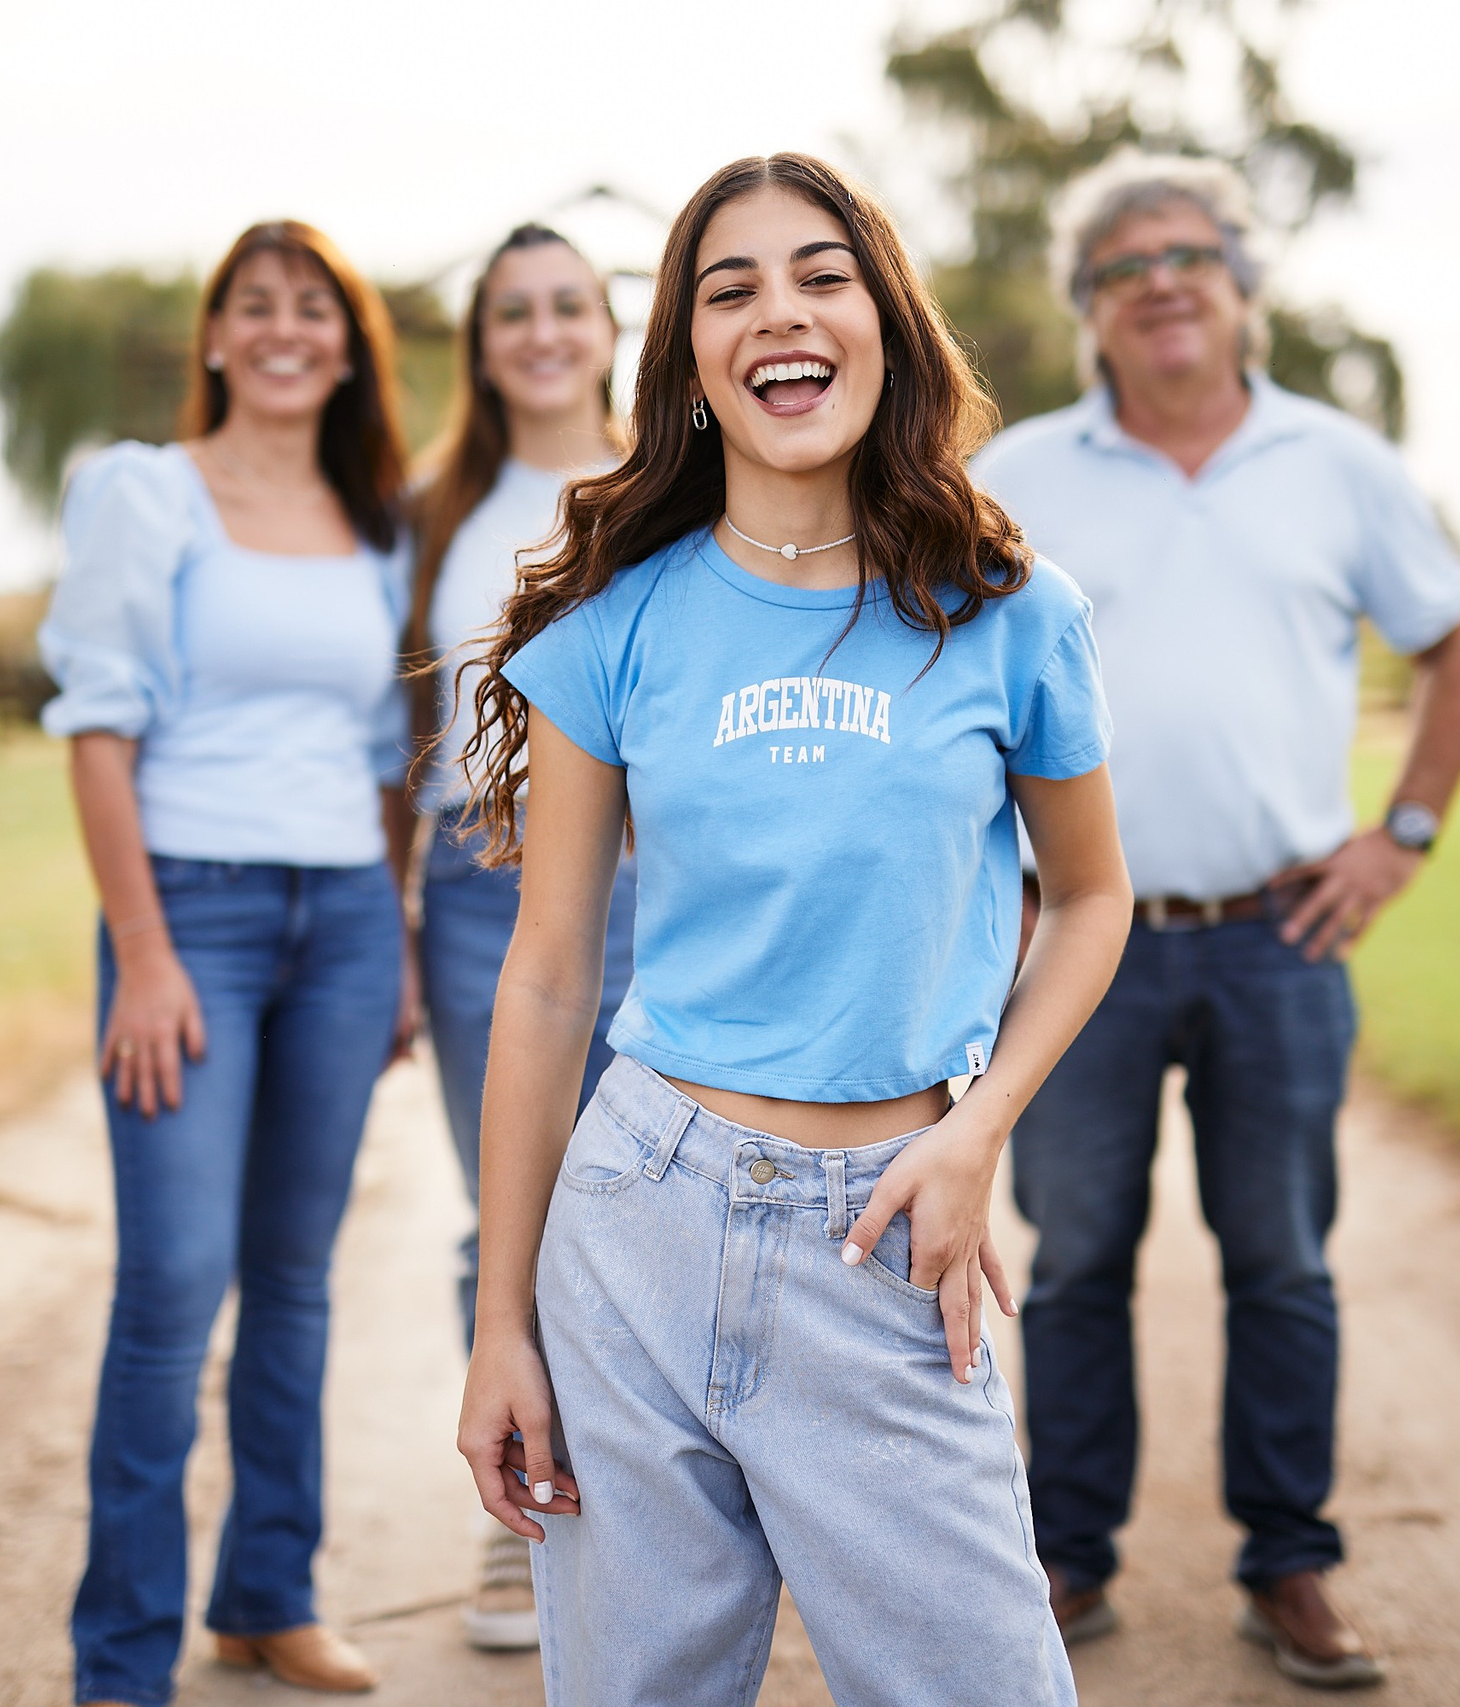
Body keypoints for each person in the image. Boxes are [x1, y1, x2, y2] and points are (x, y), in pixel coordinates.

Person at [453, 152, 1137, 1707]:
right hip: (638, 1223)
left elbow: (1094, 897)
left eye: (823, 276)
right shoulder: (616, 624)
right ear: (689, 359)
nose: (782, 313)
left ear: (885, 323)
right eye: (731, 289)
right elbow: (549, 980)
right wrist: (502, 1325)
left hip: (887, 1227)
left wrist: (976, 1132)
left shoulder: (1008, 606)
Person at [973, 153, 1460, 1689]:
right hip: (1082, 948)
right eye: (1124, 266)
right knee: (1076, 1259)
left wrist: (1402, 835)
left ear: (1244, 285)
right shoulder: (1023, 478)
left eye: (1190, 255)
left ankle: (1291, 1563)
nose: (1161, 284)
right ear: (1087, 308)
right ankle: (1067, 1555)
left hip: (1281, 938)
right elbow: (945, 677)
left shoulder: (1339, 465)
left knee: (1281, 1262)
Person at [37, 219, 418, 1706]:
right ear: (213, 337)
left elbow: (385, 755)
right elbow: (98, 727)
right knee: (174, 1283)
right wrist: (143, 953)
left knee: (295, 1278)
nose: (283, 331)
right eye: (254, 306)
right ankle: (120, 1663)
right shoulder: (147, 492)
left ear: (350, 348)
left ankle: (268, 1595)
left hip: (344, 921)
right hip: (191, 912)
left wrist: (392, 937)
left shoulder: (375, 518)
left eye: (314, 310)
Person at [402, 221, 637, 1652]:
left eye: (567, 306)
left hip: (648, 876)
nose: (543, 333)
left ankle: (647, 1506)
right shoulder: (431, 511)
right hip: (474, 878)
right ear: (481, 346)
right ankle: (522, 1517)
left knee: (648, 1192)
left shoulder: (666, 483)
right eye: (512, 313)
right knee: (508, 1201)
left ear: (608, 330)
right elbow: (392, 730)